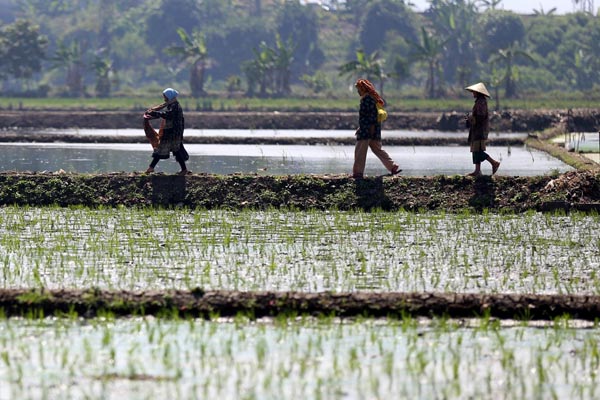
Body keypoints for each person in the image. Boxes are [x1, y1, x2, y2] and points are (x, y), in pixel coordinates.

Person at [352, 78, 400, 179]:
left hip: (367, 131)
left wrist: (368, 129)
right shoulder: (372, 99)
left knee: (360, 151)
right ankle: (392, 166)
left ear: (363, 89)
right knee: (378, 149)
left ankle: (358, 173)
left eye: (359, 89)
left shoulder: (367, 100)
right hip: (372, 130)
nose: (358, 91)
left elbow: (371, 117)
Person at [143, 88, 190, 175]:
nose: (164, 98)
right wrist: (154, 114)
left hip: (173, 132)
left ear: (169, 96)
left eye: (165, 96)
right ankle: (184, 170)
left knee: (162, 149)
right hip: (172, 131)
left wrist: (155, 113)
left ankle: (151, 168)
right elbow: (166, 115)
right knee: (176, 150)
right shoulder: (171, 105)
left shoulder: (175, 106)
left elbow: (168, 115)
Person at [465, 82, 500, 177]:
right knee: (475, 149)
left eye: (474, 92)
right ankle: (477, 171)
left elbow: (480, 117)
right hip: (477, 129)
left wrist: (471, 118)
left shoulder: (481, 102)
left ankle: (494, 163)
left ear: (478, 93)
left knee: (478, 151)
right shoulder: (479, 101)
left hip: (479, 130)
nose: (473, 93)